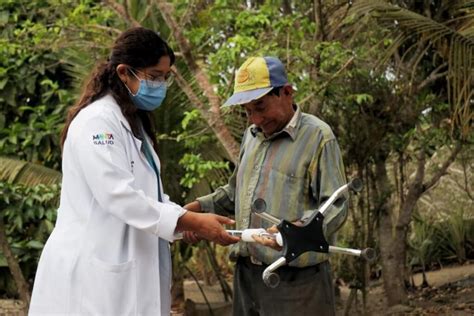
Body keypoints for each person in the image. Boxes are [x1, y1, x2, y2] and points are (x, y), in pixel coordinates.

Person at [29, 27, 239, 315]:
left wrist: (186, 221)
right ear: (124, 73)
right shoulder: (98, 123)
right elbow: (118, 195)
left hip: (124, 274)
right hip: (94, 276)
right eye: (154, 76)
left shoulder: (132, 123)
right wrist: (190, 220)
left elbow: (146, 195)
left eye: (165, 78)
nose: (161, 85)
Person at [183, 56, 348, 316]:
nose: (255, 119)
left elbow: (336, 206)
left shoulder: (318, 137)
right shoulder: (252, 137)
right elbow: (235, 193)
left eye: (260, 107)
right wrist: (192, 211)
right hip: (247, 276)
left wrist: (293, 230)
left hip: (297, 283)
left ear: (286, 92)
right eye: (247, 111)